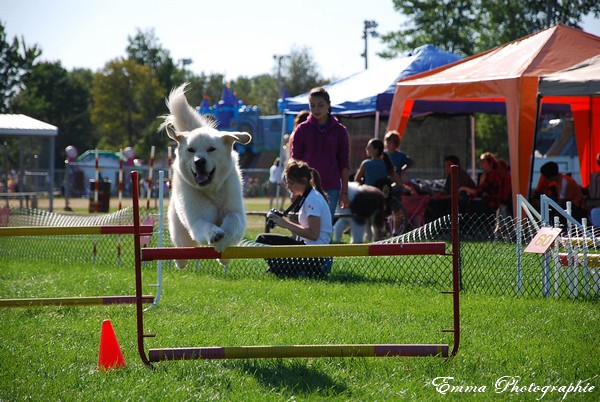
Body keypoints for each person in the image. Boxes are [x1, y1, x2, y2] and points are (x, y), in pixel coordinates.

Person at [256, 160, 333, 278]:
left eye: (291, 183)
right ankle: (287, 268)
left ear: (303, 180)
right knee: (263, 239)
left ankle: (298, 270)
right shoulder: (309, 195)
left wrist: (285, 224)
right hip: (308, 250)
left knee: (263, 240)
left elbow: (313, 234)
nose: (288, 187)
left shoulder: (312, 199)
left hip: (314, 255)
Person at [290, 87, 350, 218]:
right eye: (312, 106)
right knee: (305, 226)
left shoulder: (340, 131)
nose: (316, 109)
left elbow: (344, 164)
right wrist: (294, 189)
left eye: (320, 105)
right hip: (306, 188)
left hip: (331, 187)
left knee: (325, 229)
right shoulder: (301, 130)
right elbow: (295, 161)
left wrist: (344, 192)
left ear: (328, 105)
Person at [426, 155, 476, 221]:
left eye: (449, 165)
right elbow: (446, 190)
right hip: (451, 199)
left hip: (463, 200)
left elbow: (457, 194)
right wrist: (439, 195)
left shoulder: (461, 175)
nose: (447, 168)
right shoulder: (450, 175)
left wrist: (442, 197)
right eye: (446, 165)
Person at [460, 152, 506, 216]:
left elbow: (478, 192)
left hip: (492, 204)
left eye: (483, 162)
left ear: (491, 163)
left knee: (463, 202)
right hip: (489, 203)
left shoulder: (493, 176)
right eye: (481, 163)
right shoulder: (487, 175)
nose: (481, 165)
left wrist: (463, 188)